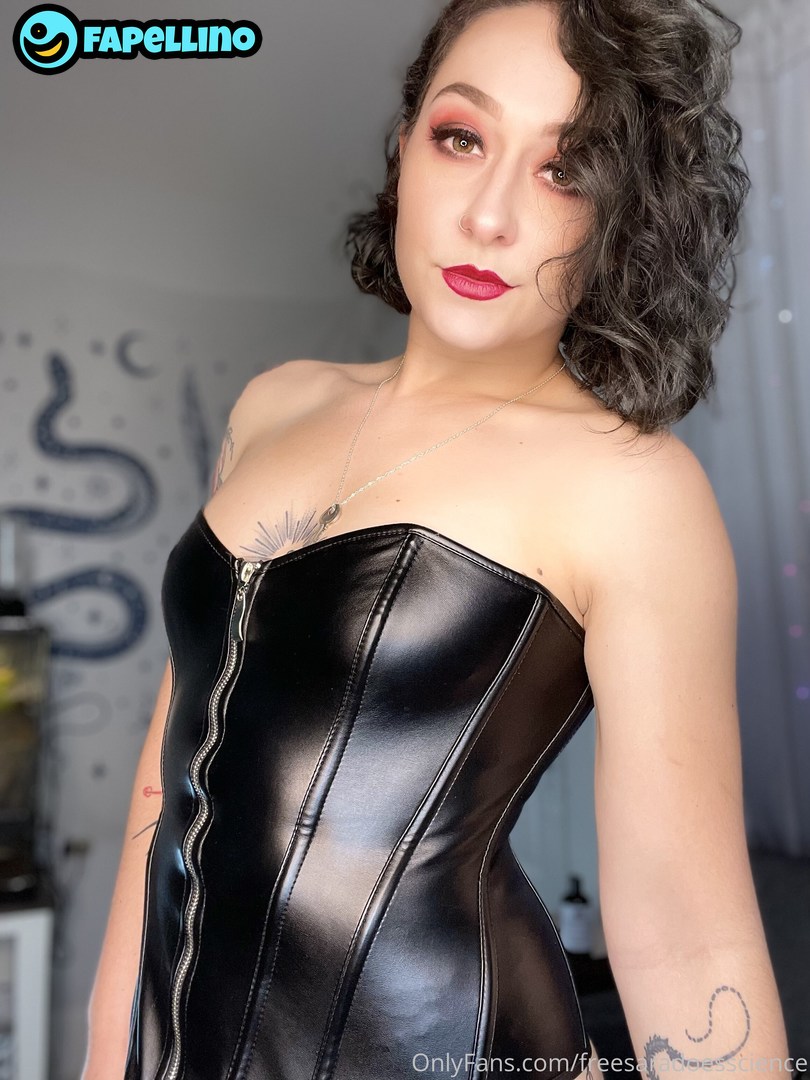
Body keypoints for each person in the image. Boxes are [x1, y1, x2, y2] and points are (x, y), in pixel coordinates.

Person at [83, 1, 791, 1078]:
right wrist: (107, 1053)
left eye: (566, 170)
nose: (490, 215)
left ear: (625, 215)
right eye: (462, 138)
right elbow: (167, 786)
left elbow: (691, 940)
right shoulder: (276, 405)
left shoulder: (631, 488)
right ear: (406, 146)